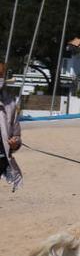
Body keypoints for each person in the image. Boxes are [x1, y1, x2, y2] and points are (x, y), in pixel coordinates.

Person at [0, 62, 23, 191]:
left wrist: (15, 143)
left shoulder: (10, 103)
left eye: (1, 75)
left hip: (2, 160)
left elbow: (17, 136)